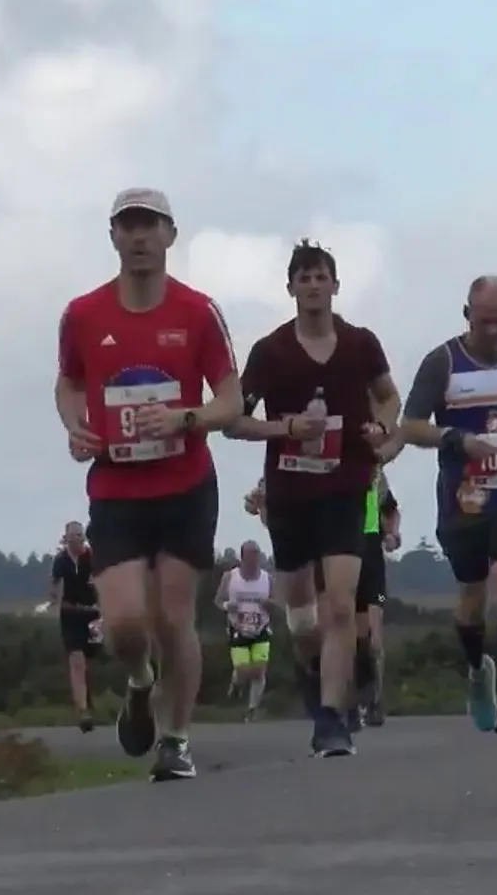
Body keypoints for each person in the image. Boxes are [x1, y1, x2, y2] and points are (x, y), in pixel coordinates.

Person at [55, 187, 242, 781]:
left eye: (150, 225)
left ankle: (176, 740)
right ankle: (139, 681)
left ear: (170, 235)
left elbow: (231, 400)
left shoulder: (198, 311)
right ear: (113, 236)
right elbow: (69, 382)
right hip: (116, 488)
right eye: (128, 226)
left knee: (173, 618)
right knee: (125, 626)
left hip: (185, 485)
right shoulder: (83, 314)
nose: (139, 237)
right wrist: (76, 426)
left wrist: (187, 417)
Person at [225, 240, 399, 758]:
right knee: (303, 621)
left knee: (341, 606)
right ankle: (313, 671)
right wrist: (287, 428)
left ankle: (330, 719)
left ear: (336, 285)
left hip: (345, 488)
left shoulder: (361, 344)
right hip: (290, 494)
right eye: (304, 278)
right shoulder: (271, 351)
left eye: (322, 276)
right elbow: (234, 421)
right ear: (291, 288)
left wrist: (380, 426)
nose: (314, 285)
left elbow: (389, 396)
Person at [397, 276, 497, 735]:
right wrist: (457, 438)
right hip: (462, 498)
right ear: (467, 315)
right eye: (484, 321)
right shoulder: (442, 361)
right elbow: (410, 425)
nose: (492, 331)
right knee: (471, 597)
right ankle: (477, 669)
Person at [356, 469, 402, 727]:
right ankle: (352, 699)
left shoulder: (374, 470)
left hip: (371, 554)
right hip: (340, 552)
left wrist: (392, 533)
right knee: (352, 636)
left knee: (374, 639)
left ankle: (375, 701)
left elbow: (390, 509)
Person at [216, 540, 277, 722]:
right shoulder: (230, 577)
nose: (254, 559)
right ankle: (237, 682)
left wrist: (269, 604)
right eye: (250, 555)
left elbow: (277, 602)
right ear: (242, 557)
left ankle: (252, 709)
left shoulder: (267, 578)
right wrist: (228, 606)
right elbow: (218, 601)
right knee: (243, 671)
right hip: (238, 628)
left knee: (259, 671)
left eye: (256, 555)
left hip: (261, 628)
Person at [50, 521, 103, 732]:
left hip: (94, 616)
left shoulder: (93, 557)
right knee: (77, 660)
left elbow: (104, 581)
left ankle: (89, 700)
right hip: (71, 615)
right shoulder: (61, 560)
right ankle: (83, 712)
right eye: (75, 536)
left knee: (93, 658)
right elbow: (54, 583)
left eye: (81, 536)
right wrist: (54, 597)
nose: (79, 540)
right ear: (67, 539)